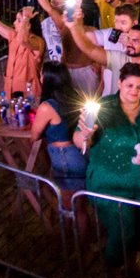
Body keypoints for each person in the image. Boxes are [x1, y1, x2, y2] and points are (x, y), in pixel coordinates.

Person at [75, 62, 140, 278]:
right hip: (109, 182)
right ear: (119, 83)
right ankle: (113, 274)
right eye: (129, 85)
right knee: (123, 229)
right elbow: (80, 140)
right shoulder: (102, 108)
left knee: (139, 229)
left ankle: (131, 264)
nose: (134, 91)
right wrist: (85, 135)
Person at [29, 61, 88, 192]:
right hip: (78, 154)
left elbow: (34, 136)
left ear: (46, 79)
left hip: (64, 158)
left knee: (71, 208)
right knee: (78, 204)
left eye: (41, 74)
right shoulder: (75, 97)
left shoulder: (47, 107)